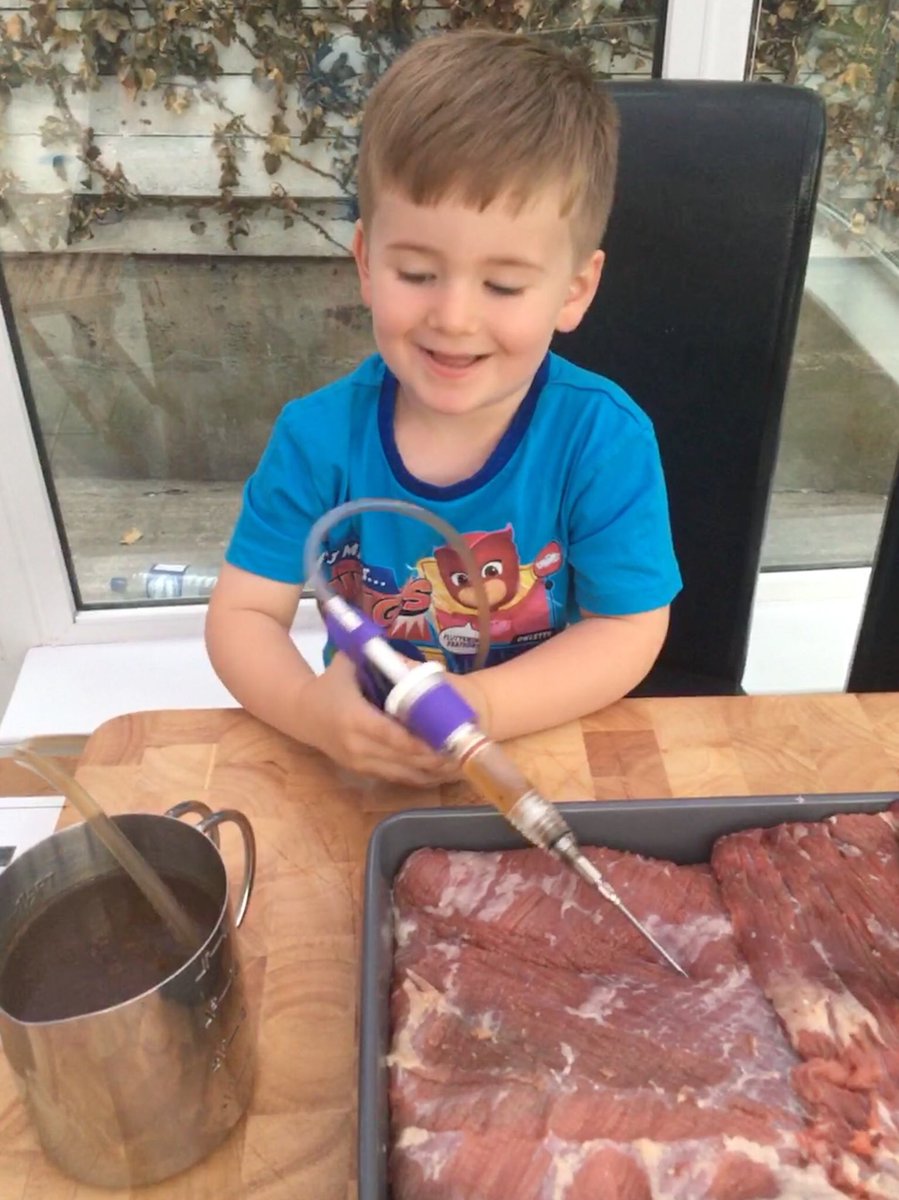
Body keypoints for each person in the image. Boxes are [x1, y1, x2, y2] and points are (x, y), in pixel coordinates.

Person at [206, 29, 682, 787]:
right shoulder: (315, 438)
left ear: (573, 290)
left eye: (501, 286)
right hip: (357, 762)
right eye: (419, 271)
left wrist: (482, 704)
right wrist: (310, 712)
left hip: (535, 745)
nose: (453, 317)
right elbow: (240, 618)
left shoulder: (603, 439)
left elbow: (627, 629)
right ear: (366, 261)